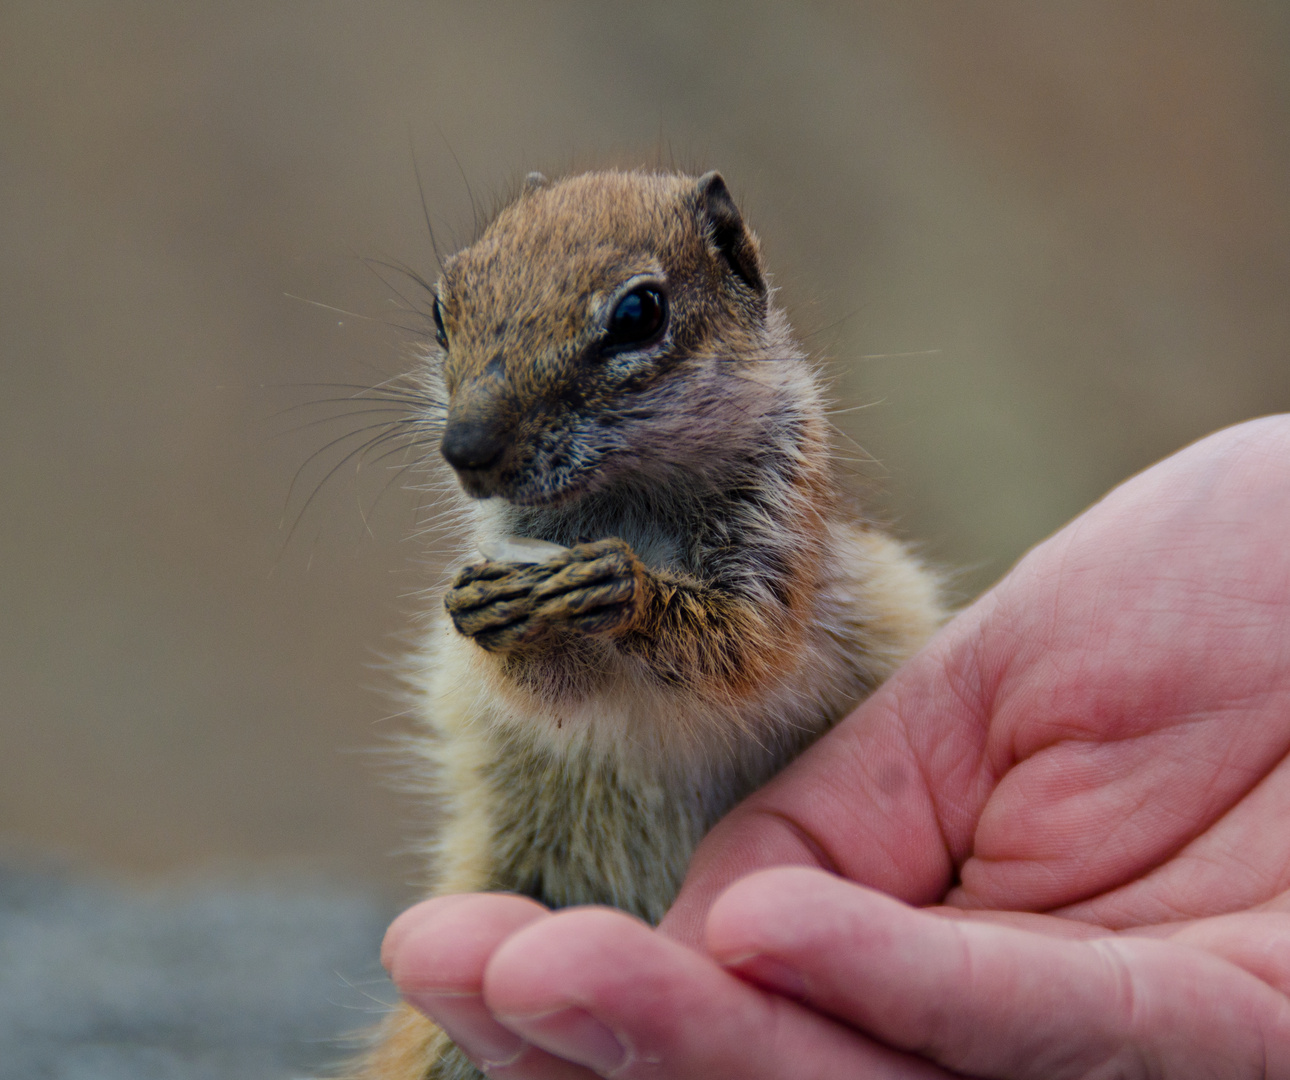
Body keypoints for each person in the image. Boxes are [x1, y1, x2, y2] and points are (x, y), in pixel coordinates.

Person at [380, 415, 1290, 1079]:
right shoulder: (518, 483)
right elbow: (558, 698)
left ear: (733, 283)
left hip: (867, 864)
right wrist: (515, 627)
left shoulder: (765, 461)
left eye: (632, 326)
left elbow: (743, 656)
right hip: (555, 861)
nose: (477, 432)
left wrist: (639, 605)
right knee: (475, 1035)